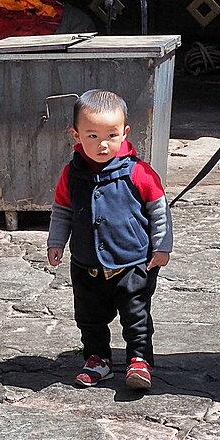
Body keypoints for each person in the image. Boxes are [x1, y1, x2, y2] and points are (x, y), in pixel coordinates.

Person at [47, 89, 172, 391]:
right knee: (89, 319)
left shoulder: (139, 173)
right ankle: (97, 359)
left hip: (132, 264)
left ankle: (139, 360)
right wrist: (56, 242)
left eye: (111, 135)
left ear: (125, 133)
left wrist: (162, 246)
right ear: (75, 134)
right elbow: (62, 210)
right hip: (87, 264)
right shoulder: (71, 174)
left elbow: (159, 211)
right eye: (91, 136)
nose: (102, 144)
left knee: (136, 317)